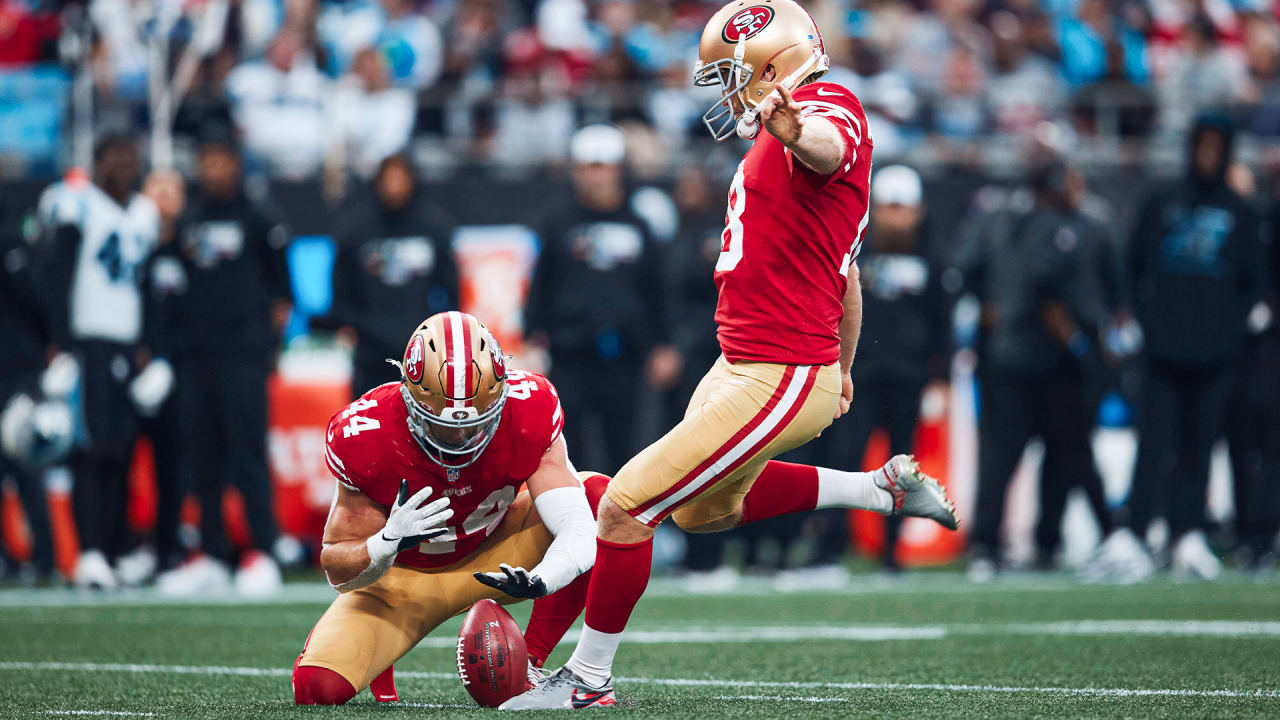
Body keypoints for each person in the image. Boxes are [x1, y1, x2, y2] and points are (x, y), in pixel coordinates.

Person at [503, 2, 958, 708]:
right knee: (702, 512)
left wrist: (796, 128)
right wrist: (845, 365)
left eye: (731, 76)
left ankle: (586, 681)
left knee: (625, 508)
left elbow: (831, 145)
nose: (725, 92)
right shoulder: (776, 135)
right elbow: (846, 271)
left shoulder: (827, 107)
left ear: (772, 68)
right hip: (745, 361)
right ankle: (877, 490)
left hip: (778, 369)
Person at [292, 311, 608, 705]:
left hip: (499, 555)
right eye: (442, 426)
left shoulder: (529, 407)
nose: (460, 437)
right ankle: (376, 651)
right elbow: (337, 567)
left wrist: (544, 576)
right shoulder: (364, 434)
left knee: (599, 500)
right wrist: (386, 541)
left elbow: (577, 523)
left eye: (476, 424)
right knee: (317, 689)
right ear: (408, 398)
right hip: (403, 581)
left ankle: (529, 660)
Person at [1088, 112, 1266, 582]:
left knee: (1199, 446)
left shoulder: (1242, 212)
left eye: (1216, 145)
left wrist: (1231, 331)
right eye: (1200, 144)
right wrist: (1136, 319)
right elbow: (1131, 266)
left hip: (1216, 354)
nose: (1207, 154)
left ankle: (1188, 535)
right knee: (1153, 443)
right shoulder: (1160, 201)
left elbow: (1254, 283)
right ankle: (1135, 534)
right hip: (1161, 349)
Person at [959, 158, 1116, 578]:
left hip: (1029, 359)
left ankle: (1006, 544)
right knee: (1026, 457)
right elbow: (1054, 286)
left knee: (1044, 457)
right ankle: (1009, 542)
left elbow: (969, 270)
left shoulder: (1026, 221)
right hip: (1029, 358)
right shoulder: (1055, 226)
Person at [153, 126, 292, 596]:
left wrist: (267, 349)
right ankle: (211, 552)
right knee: (202, 457)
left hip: (243, 356)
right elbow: (171, 287)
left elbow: (282, 296)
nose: (212, 169)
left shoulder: (259, 219)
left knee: (248, 453)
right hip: (196, 358)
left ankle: (263, 550)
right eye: (206, 160)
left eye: (221, 160)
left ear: (236, 164)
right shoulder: (187, 221)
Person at [36, 133, 165, 590]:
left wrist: (150, 347)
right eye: (113, 156)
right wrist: (60, 341)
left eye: (130, 155)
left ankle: (111, 551)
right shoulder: (78, 205)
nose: (123, 164)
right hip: (87, 342)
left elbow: (147, 287)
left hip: (126, 346)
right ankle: (89, 550)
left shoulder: (144, 214)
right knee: (90, 448)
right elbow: (59, 275)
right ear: (95, 161)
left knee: (123, 449)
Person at [816, 164, 951, 573]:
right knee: (843, 459)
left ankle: (892, 553)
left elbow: (941, 323)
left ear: (917, 211)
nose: (896, 215)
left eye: (902, 207)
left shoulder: (933, 260)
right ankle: (831, 549)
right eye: (889, 207)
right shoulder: (855, 253)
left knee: (902, 467)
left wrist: (941, 379)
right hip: (858, 378)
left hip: (908, 379)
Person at [523, 124, 678, 475]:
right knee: (567, 446)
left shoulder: (640, 225)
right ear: (576, 172)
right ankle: (575, 523)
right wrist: (533, 337)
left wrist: (664, 344)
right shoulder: (558, 225)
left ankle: (621, 525)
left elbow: (657, 290)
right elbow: (541, 285)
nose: (596, 177)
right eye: (588, 167)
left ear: (617, 170)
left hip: (625, 355)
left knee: (626, 445)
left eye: (603, 167)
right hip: (570, 353)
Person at [330, 153, 457, 398]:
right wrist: (351, 323)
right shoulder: (355, 231)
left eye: (400, 179)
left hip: (422, 350)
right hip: (370, 349)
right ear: (377, 183)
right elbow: (341, 287)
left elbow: (450, 288)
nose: (394, 187)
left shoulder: (434, 228)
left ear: (413, 181)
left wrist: (443, 334)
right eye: (389, 179)